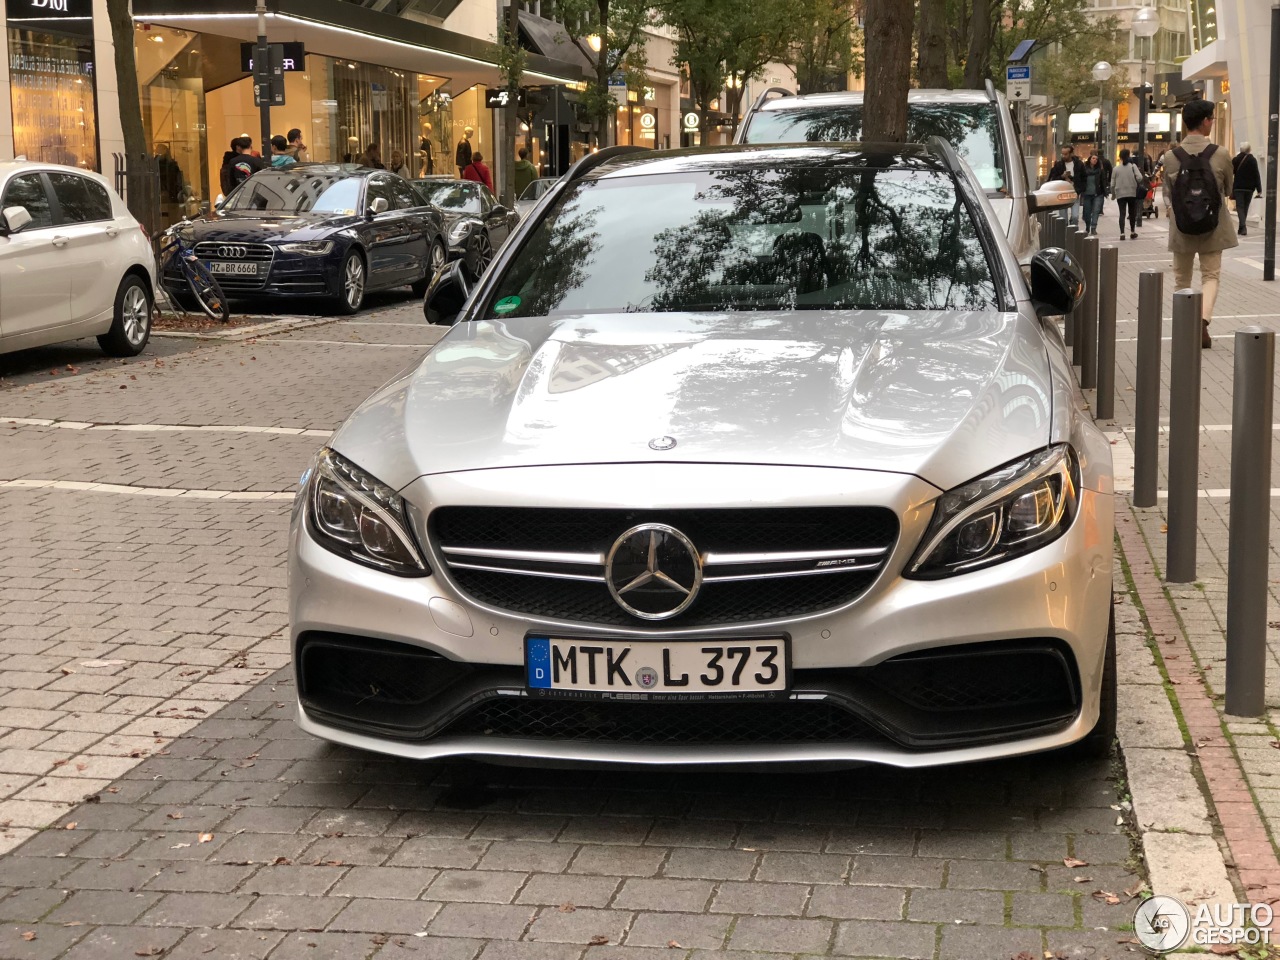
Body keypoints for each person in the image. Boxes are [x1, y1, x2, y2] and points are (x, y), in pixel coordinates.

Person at [1161, 98, 1237, 349]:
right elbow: (1227, 189)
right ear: (1205, 121)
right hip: (1213, 225)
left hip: (1182, 226)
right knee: (1211, 275)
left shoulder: (1170, 157)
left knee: (1181, 278)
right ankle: (1202, 321)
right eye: (1212, 119)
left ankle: (1185, 326)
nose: (1212, 123)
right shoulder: (1221, 153)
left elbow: (1169, 192)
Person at [1111, 148, 1143, 240]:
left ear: (1120, 157)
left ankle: (1122, 233)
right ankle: (1132, 232)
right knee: (1132, 212)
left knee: (1122, 213)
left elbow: (1112, 184)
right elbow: (1140, 178)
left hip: (1120, 193)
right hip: (1132, 192)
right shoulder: (1133, 166)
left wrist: (1113, 194)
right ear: (1128, 156)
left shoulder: (1116, 169)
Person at [1231, 143, 1261, 236]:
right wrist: (1259, 189)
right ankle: (1242, 227)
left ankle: (1242, 227)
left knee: (1240, 207)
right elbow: (1256, 174)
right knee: (1245, 207)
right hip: (1249, 188)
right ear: (1249, 150)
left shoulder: (1235, 160)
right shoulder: (1253, 160)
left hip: (1238, 187)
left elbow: (1231, 172)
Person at [1048, 145, 1082, 225]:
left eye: (1066, 154)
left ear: (1071, 153)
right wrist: (1062, 176)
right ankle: (1066, 234)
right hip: (1062, 194)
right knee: (1063, 219)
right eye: (1062, 154)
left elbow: (1084, 178)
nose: (1064, 156)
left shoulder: (1079, 164)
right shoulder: (1059, 165)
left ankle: (1073, 231)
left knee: (1075, 217)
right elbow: (1053, 179)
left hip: (1074, 193)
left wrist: (1079, 190)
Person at [1079, 153, 1108, 236]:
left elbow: (1103, 181)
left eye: (1096, 159)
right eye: (1093, 158)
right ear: (1089, 160)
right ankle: (1087, 226)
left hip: (1098, 194)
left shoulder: (1100, 170)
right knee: (1087, 212)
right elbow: (1081, 180)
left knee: (1096, 211)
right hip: (1087, 194)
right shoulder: (1084, 170)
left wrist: (1105, 191)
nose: (1095, 160)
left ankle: (1093, 227)